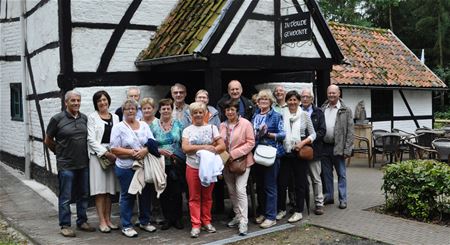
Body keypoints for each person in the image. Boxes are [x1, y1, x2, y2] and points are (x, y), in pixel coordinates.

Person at [44, 90, 96, 237]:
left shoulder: (84, 118)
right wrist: (59, 152)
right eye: (73, 100)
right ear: (66, 102)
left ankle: (82, 221)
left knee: (84, 194)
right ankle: (65, 225)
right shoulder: (57, 119)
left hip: (83, 164)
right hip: (66, 165)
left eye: (78, 100)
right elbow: (48, 140)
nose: (76, 103)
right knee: (66, 197)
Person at [110, 99, 157, 238]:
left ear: (137, 111)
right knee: (128, 195)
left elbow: (152, 141)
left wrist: (145, 151)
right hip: (125, 167)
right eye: (127, 109)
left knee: (145, 194)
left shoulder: (143, 125)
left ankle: (144, 221)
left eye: (133, 108)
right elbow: (113, 149)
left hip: (143, 165)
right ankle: (126, 225)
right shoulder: (118, 127)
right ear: (123, 111)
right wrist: (131, 152)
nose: (130, 111)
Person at [182, 102, 226, 238]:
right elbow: (185, 148)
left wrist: (213, 149)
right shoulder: (187, 130)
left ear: (205, 113)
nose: (198, 115)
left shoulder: (212, 128)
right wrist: (205, 147)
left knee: (207, 196)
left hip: (208, 168)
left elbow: (222, 146)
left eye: (201, 112)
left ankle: (206, 221)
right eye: (195, 113)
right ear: (191, 115)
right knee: (194, 196)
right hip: (193, 167)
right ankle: (196, 224)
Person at [277, 90, 316, 223]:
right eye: (290, 100)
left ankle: (299, 211)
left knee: (300, 183)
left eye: (295, 100)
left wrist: (303, 142)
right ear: (286, 101)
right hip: (285, 152)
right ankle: (281, 209)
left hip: (299, 153)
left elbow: (313, 134)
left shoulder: (304, 115)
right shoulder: (282, 114)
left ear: (299, 101)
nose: (292, 102)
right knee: (282, 183)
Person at [219, 99, 255, 236]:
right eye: (227, 110)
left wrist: (233, 154)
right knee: (231, 191)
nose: (229, 112)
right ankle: (238, 216)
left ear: (237, 110)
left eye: (232, 110)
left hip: (242, 162)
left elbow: (251, 142)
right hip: (227, 163)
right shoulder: (222, 125)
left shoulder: (245, 123)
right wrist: (224, 157)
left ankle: (244, 222)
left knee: (240, 190)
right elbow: (219, 143)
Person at [251, 89, 285, 229]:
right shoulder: (255, 116)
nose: (263, 101)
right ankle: (263, 212)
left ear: (271, 101)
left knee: (270, 186)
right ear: (257, 102)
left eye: (266, 99)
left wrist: (268, 134)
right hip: (257, 154)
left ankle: (271, 217)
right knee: (260, 186)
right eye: (260, 99)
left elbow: (283, 134)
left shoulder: (276, 116)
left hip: (271, 154)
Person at [87, 90, 119, 233]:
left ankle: (109, 220)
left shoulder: (116, 117)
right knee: (100, 190)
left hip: (113, 155)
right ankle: (101, 221)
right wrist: (105, 153)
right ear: (96, 103)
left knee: (109, 191)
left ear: (108, 101)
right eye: (99, 100)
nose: (102, 102)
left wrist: (114, 152)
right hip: (98, 157)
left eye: (104, 99)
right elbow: (91, 139)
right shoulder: (92, 117)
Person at [150, 98, 185, 230]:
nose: (165, 110)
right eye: (163, 108)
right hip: (160, 162)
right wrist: (159, 150)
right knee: (163, 190)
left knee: (176, 191)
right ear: (159, 110)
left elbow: (183, 142)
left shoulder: (178, 124)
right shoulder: (153, 126)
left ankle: (178, 218)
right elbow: (149, 144)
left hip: (175, 162)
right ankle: (167, 219)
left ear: (172, 110)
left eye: (168, 108)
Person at [321, 85, 354, 209]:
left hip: (339, 147)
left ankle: (343, 199)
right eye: (329, 93)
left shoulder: (346, 110)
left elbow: (350, 132)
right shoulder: (323, 108)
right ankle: (329, 196)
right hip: (325, 147)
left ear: (339, 93)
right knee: (326, 174)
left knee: (341, 174)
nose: (331, 95)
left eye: (334, 93)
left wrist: (348, 150)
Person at [300, 88, 326, 215]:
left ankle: (319, 203)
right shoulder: (296, 111)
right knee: (300, 179)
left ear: (312, 99)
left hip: (314, 151)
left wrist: (309, 140)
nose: (305, 99)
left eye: (307, 97)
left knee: (316, 178)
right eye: (303, 96)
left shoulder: (319, 112)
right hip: (299, 150)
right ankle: (299, 203)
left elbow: (322, 131)